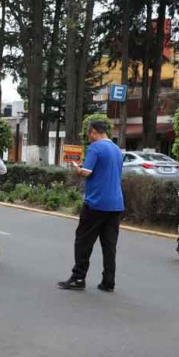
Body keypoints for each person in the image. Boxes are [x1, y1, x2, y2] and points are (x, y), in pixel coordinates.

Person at [58, 119, 123, 293]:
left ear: (94, 132)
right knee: (109, 244)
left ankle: (78, 277)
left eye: (89, 134)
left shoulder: (95, 148)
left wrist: (77, 169)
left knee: (83, 241)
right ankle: (109, 281)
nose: (89, 138)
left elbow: (87, 172)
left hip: (96, 202)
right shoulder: (117, 150)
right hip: (116, 203)